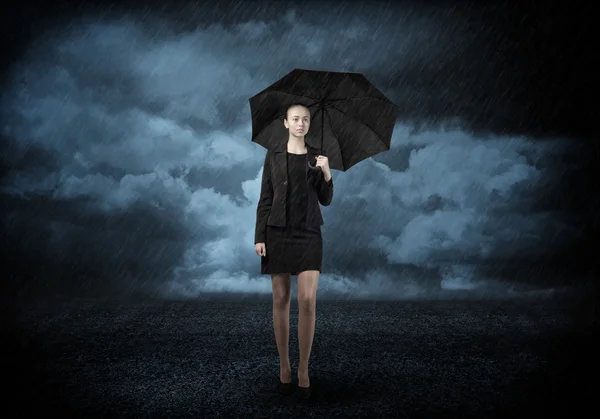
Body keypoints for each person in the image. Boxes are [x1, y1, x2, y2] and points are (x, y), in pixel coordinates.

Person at [254, 103, 334, 398]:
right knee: (281, 298)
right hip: (277, 233)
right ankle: (284, 365)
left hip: (309, 233)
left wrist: (326, 172)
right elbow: (265, 197)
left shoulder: (318, 156)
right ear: (286, 123)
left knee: (308, 300)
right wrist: (259, 236)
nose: (301, 123)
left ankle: (303, 367)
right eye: (296, 119)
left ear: (310, 124)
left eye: (306, 119)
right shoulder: (272, 154)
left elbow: (326, 200)